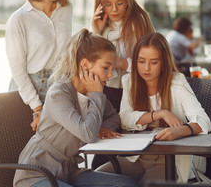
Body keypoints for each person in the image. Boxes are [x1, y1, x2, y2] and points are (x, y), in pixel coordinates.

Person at [13, 29, 138, 187]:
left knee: (126, 184)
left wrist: (102, 127)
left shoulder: (93, 93)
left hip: (69, 172)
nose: (111, 75)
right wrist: (96, 96)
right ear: (85, 65)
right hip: (37, 174)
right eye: (106, 68)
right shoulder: (58, 94)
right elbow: (88, 134)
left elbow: (114, 117)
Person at [97, 33, 211, 185]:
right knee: (98, 177)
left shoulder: (177, 82)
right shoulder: (129, 81)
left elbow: (203, 121)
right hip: (137, 157)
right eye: (141, 61)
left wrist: (179, 131)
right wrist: (160, 114)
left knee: (147, 184)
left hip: (170, 161)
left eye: (154, 62)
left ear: (163, 62)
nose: (146, 68)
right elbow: (124, 118)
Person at [5, 0, 72, 131]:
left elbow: (68, 51)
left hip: (57, 85)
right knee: (26, 151)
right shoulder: (18, 19)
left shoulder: (65, 10)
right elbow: (18, 70)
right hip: (28, 92)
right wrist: (36, 108)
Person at [92, 0, 155, 89]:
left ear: (127, 1)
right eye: (108, 5)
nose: (114, 10)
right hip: (107, 88)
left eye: (120, 3)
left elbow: (152, 63)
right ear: (100, 5)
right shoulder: (102, 27)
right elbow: (94, 64)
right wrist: (96, 32)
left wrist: (122, 63)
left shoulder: (140, 23)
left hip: (136, 89)